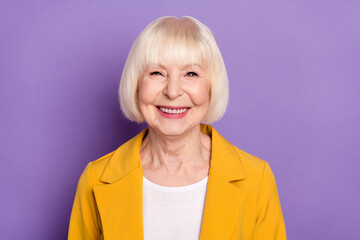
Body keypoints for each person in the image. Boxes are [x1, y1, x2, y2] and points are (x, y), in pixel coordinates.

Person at [68, 16, 287, 240]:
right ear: (136, 84)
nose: (172, 91)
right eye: (156, 73)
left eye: (191, 74)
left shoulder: (256, 179)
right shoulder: (95, 178)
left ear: (212, 86)